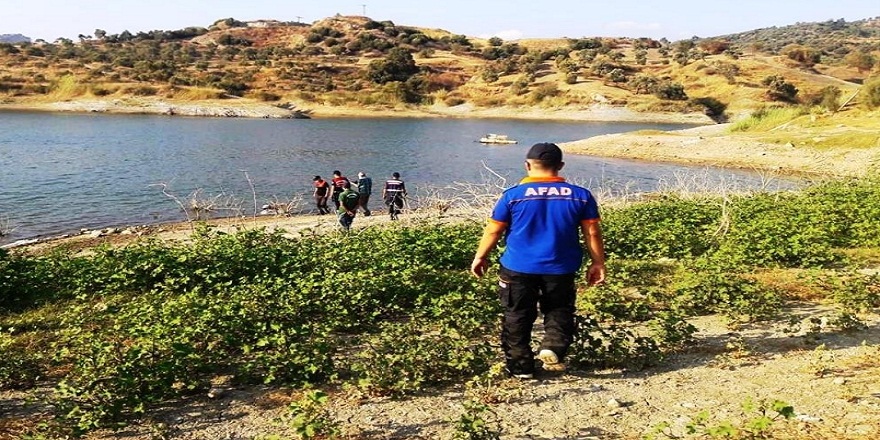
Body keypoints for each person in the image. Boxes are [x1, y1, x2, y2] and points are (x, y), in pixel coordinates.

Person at [470, 142, 606, 379]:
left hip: (517, 267)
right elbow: (591, 233)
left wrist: (481, 256)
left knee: (517, 315)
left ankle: (521, 367)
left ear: (527, 165)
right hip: (561, 268)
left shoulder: (512, 196)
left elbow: (493, 230)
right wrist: (598, 263)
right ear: (560, 166)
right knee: (559, 310)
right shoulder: (581, 196)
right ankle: (552, 347)